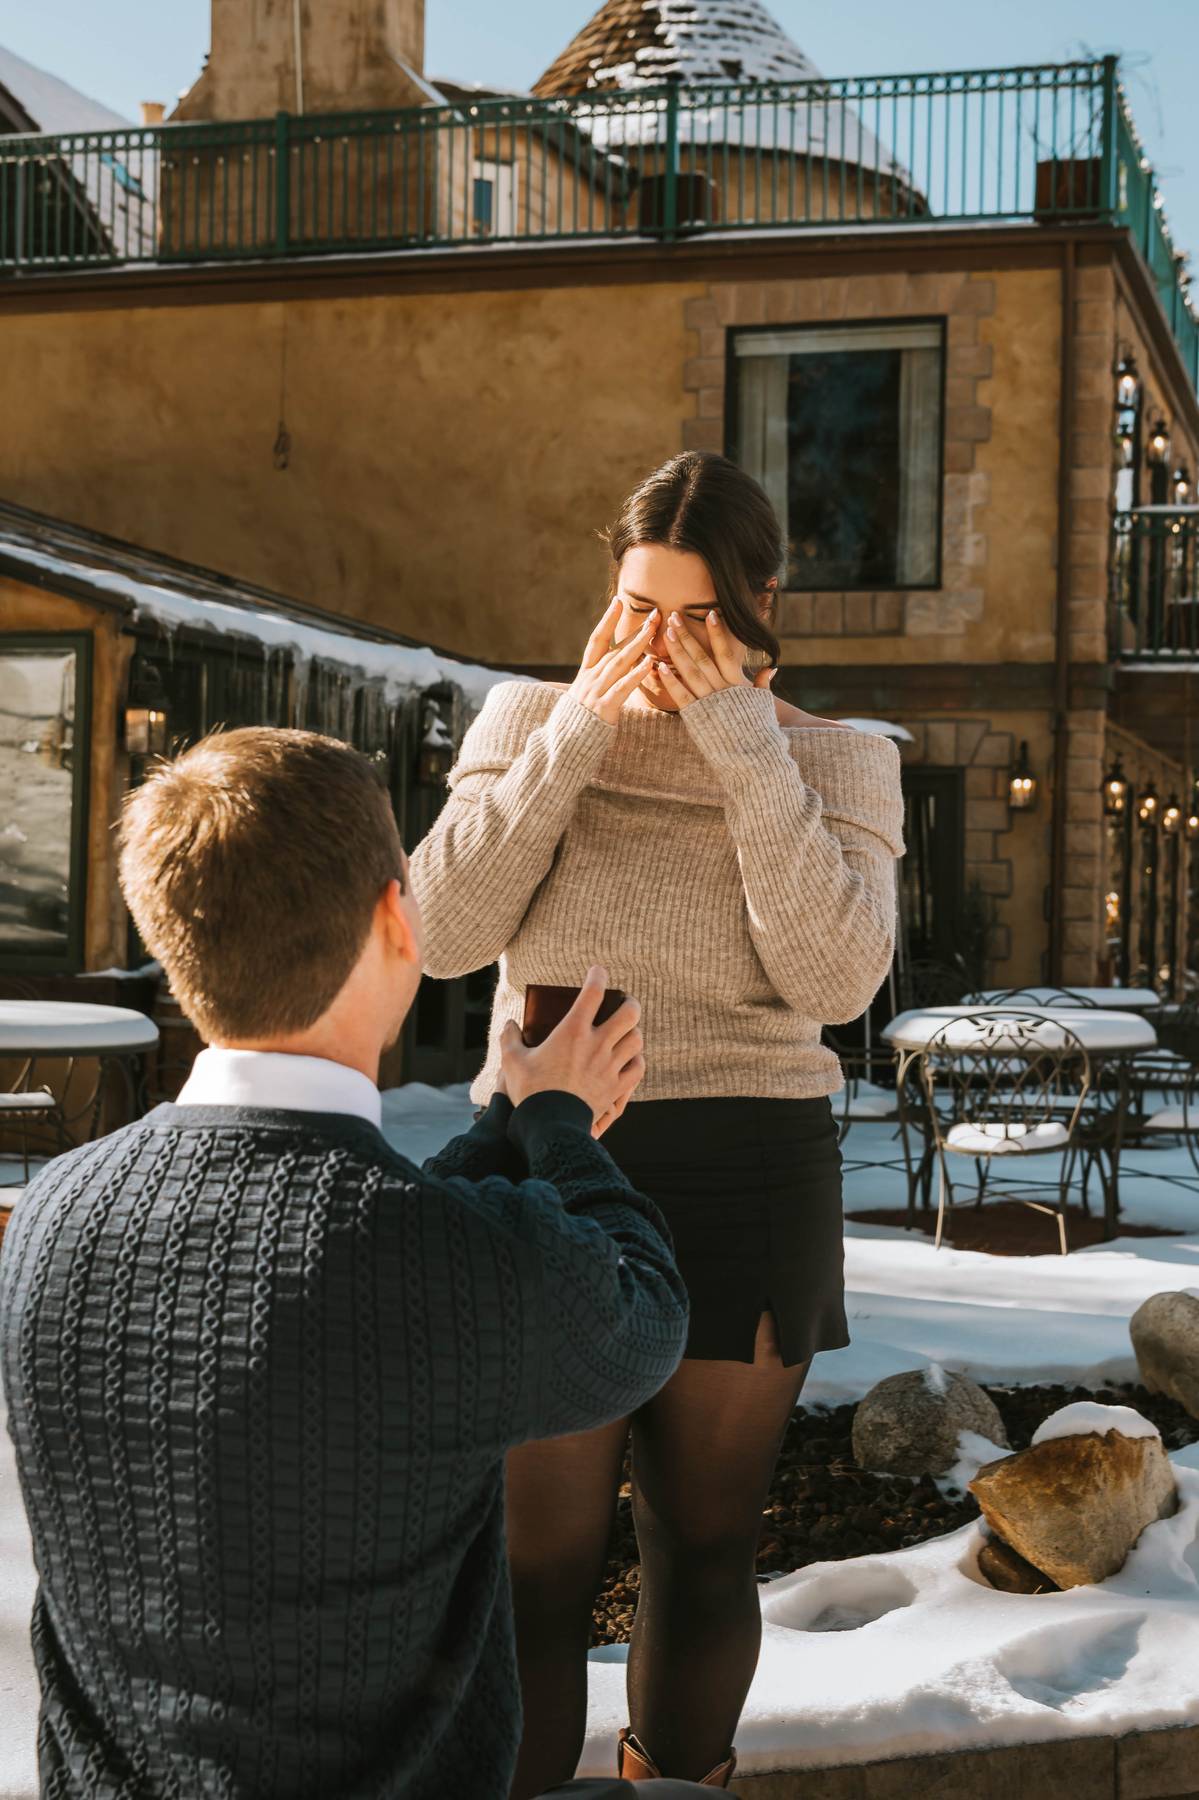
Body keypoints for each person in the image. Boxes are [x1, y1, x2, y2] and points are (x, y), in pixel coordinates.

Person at [0, 726, 712, 1800]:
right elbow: (643, 1312)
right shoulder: (444, 1263)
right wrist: (560, 1128)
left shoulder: (50, 1213)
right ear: (396, 921)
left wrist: (508, 1121)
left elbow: (340, 1240)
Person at [410, 451, 906, 1791]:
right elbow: (444, 935)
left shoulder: (837, 761)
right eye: (637, 607)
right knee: (534, 1559)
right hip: (548, 1165)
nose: (661, 645)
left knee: (700, 1542)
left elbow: (834, 980)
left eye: (696, 617)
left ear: (759, 600)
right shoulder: (526, 718)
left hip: (748, 1173)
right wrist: (573, 735)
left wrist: (748, 757)